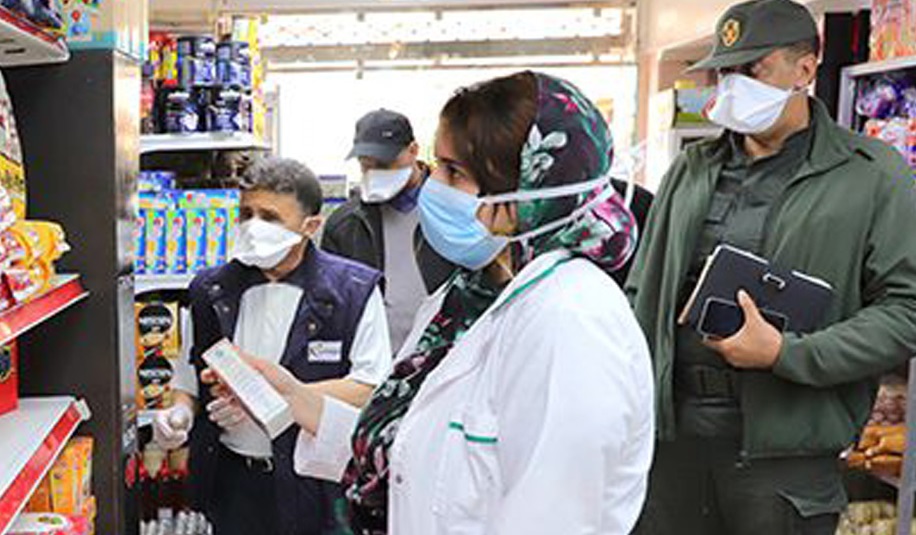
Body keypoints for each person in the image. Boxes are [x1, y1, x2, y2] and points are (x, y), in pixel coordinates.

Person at [206, 72, 655, 534]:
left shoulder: (571, 323)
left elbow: (555, 519)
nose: (431, 186)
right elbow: (410, 453)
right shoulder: (465, 301)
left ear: (527, 193)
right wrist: (291, 396)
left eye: (453, 172)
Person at [627, 1, 916, 533]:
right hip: (672, 447)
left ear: (805, 68)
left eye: (752, 69)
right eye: (726, 72)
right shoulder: (690, 170)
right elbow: (643, 289)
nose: (733, 85)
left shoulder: (871, 176)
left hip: (785, 459)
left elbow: (905, 311)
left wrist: (788, 353)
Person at [151, 157, 394, 535]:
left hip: (316, 484)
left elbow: (369, 387)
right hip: (233, 484)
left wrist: (266, 399)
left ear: (310, 226)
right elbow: (188, 378)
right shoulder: (210, 290)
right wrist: (177, 416)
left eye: (270, 217)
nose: (253, 228)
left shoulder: (353, 291)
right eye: (246, 214)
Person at [322, 109, 455, 353]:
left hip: (446, 352)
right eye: (366, 166)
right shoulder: (345, 225)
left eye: (384, 165)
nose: (375, 174)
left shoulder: (454, 209)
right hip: (376, 358)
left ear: (413, 150)